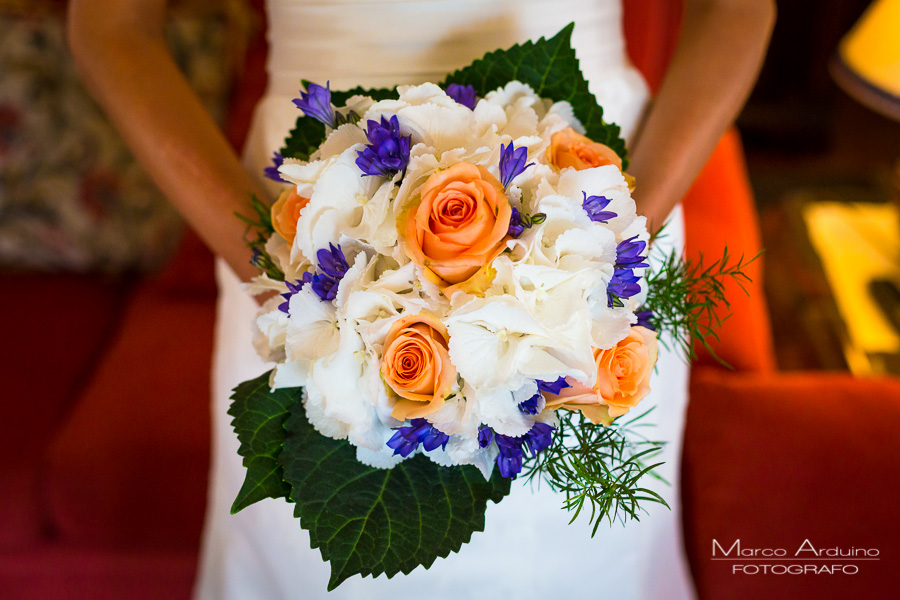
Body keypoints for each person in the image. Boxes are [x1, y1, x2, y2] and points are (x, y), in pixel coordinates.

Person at [67, 0, 775, 598]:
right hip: (310, 232)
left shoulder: (607, 236)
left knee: (580, 565)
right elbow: (111, 24)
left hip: (586, 220)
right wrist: (277, 266)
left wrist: (617, 235)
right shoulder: (290, 265)